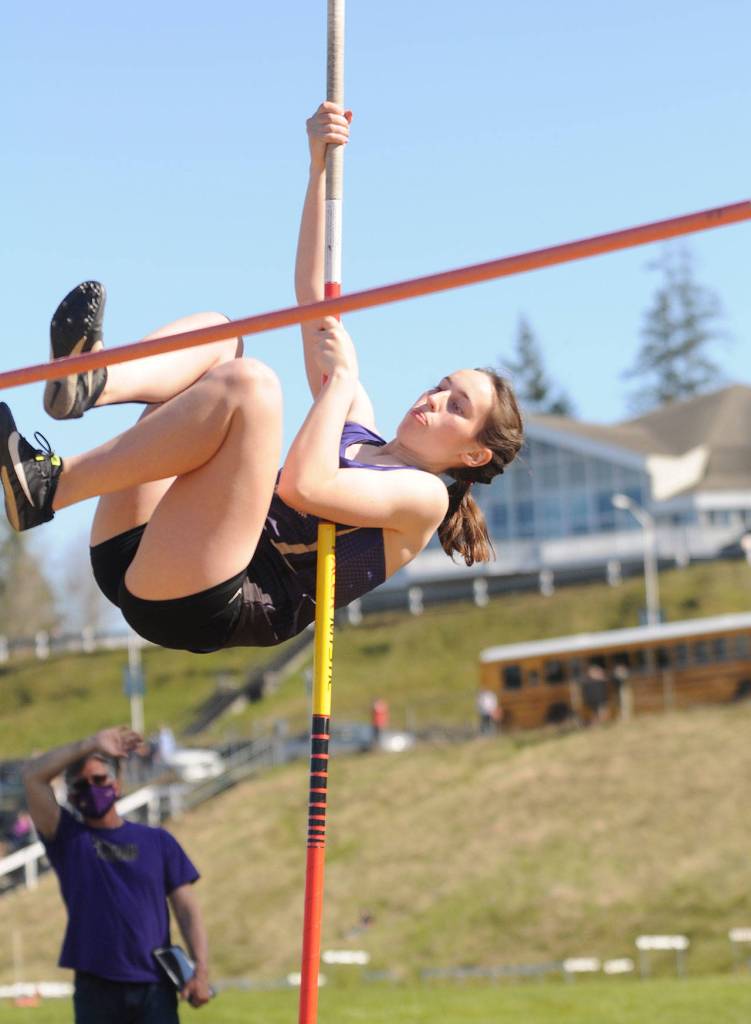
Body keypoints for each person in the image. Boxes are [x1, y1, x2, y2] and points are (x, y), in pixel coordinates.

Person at [0, 102, 523, 656]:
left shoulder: (423, 500)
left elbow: (306, 485)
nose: (435, 398)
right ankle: (93, 384)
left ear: (473, 456)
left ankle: (51, 486)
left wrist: (342, 382)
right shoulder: (356, 423)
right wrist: (318, 164)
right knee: (223, 336)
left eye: (457, 408)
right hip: (150, 548)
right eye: (442, 385)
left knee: (254, 387)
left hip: (207, 600)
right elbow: (310, 298)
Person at [22, 725, 211, 1022]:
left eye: (99, 780)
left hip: (154, 986)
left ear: (117, 783)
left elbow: (187, 909)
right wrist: (90, 743)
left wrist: (200, 969)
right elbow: (33, 776)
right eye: (80, 785)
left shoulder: (158, 842)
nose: (91, 789)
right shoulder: (68, 839)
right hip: (96, 987)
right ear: (69, 795)